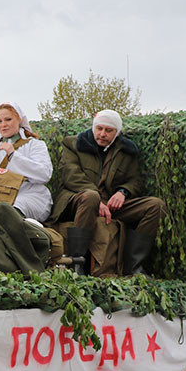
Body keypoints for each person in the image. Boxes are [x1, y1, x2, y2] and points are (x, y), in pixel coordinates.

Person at [50, 109, 165, 275]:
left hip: (110, 205)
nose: (102, 134)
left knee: (156, 205)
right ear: (93, 128)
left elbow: (135, 181)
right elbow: (71, 176)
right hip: (78, 199)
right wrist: (97, 200)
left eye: (108, 130)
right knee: (91, 197)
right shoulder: (73, 144)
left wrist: (123, 192)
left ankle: (133, 268)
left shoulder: (127, 151)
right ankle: (77, 262)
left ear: (117, 133)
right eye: (99, 128)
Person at [0, 102, 53, 223]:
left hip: (29, 195)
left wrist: (13, 156)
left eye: (8, 119)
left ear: (19, 120)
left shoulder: (35, 144)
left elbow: (44, 174)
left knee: (7, 211)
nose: (3, 125)